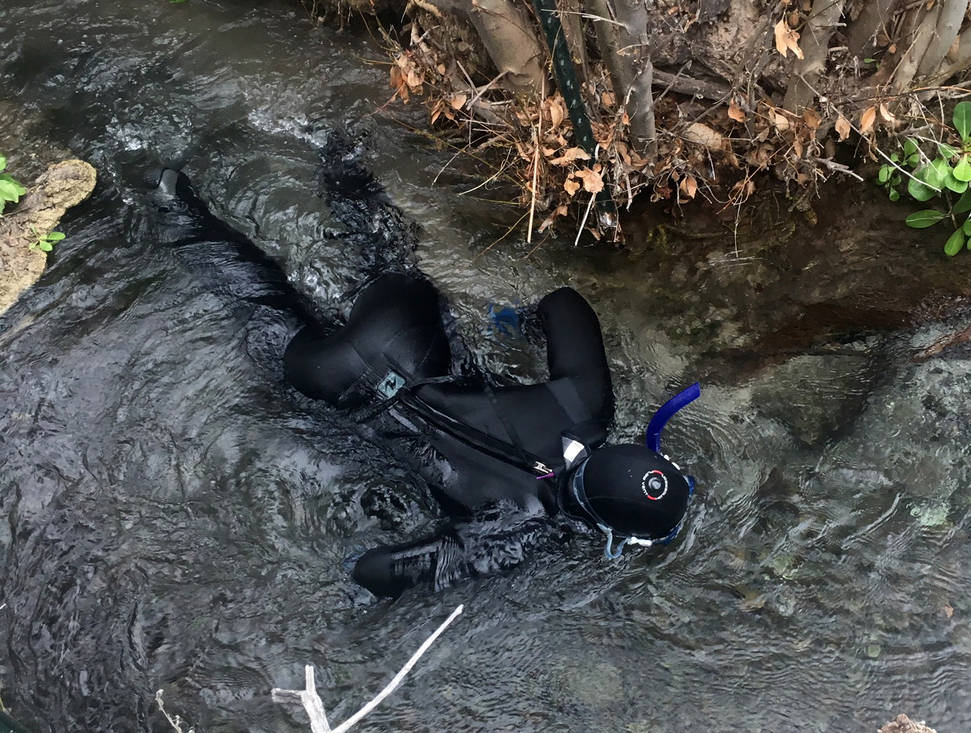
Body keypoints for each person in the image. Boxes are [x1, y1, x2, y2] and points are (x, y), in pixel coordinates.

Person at [152, 144, 695, 598]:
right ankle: (173, 209)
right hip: (333, 383)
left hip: (406, 330)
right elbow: (374, 571)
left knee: (386, 252)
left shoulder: (586, 403)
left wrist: (519, 324)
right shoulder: (517, 531)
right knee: (261, 300)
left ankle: (336, 151)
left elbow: (566, 304)